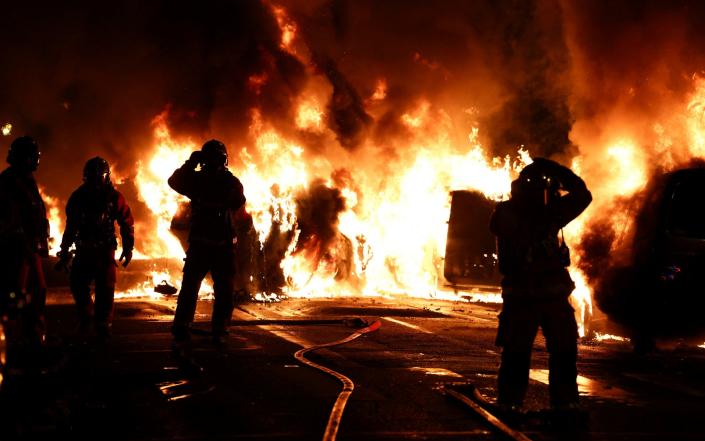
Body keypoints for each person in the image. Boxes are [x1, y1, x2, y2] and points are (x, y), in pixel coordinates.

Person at [490, 157, 592, 418]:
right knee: (517, 353)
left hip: (551, 297)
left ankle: (565, 404)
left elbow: (583, 195)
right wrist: (556, 174)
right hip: (523, 297)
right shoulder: (509, 213)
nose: (546, 196)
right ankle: (510, 404)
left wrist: (554, 170)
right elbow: (578, 194)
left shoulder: (550, 211)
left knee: (564, 350)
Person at [168, 139, 246, 344]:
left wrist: (191, 164)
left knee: (206, 289)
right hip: (212, 244)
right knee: (212, 289)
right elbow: (174, 181)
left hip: (216, 245)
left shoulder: (202, 181)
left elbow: (176, 181)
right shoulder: (227, 182)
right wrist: (191, 164)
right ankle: (215, 330)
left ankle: (188, 327)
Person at [56, 157, 134, 340]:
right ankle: (86, 317)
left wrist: (128, 246)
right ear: (86, 177)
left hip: (104, 251)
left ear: (106, 177)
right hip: (83, 250)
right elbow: (71, 226)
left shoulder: (114, 197)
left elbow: (126, 222)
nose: (96, 180)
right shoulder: (78, 197)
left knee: (105, 288)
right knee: (77, 284)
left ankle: (103, 325)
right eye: (92, 176)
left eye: (99, 176)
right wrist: (65, 249)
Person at [0, 136, 49, 347]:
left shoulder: (28, 180)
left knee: (38, 290)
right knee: (15, 295)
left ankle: (34, 336)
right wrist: (21, 241)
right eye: (32, 157)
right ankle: (9, 339)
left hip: (31, 249)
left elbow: (36, 213)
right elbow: (7, 218)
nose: (35, 161)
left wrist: (42, 242)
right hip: (15, 250)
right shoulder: (7, 182)